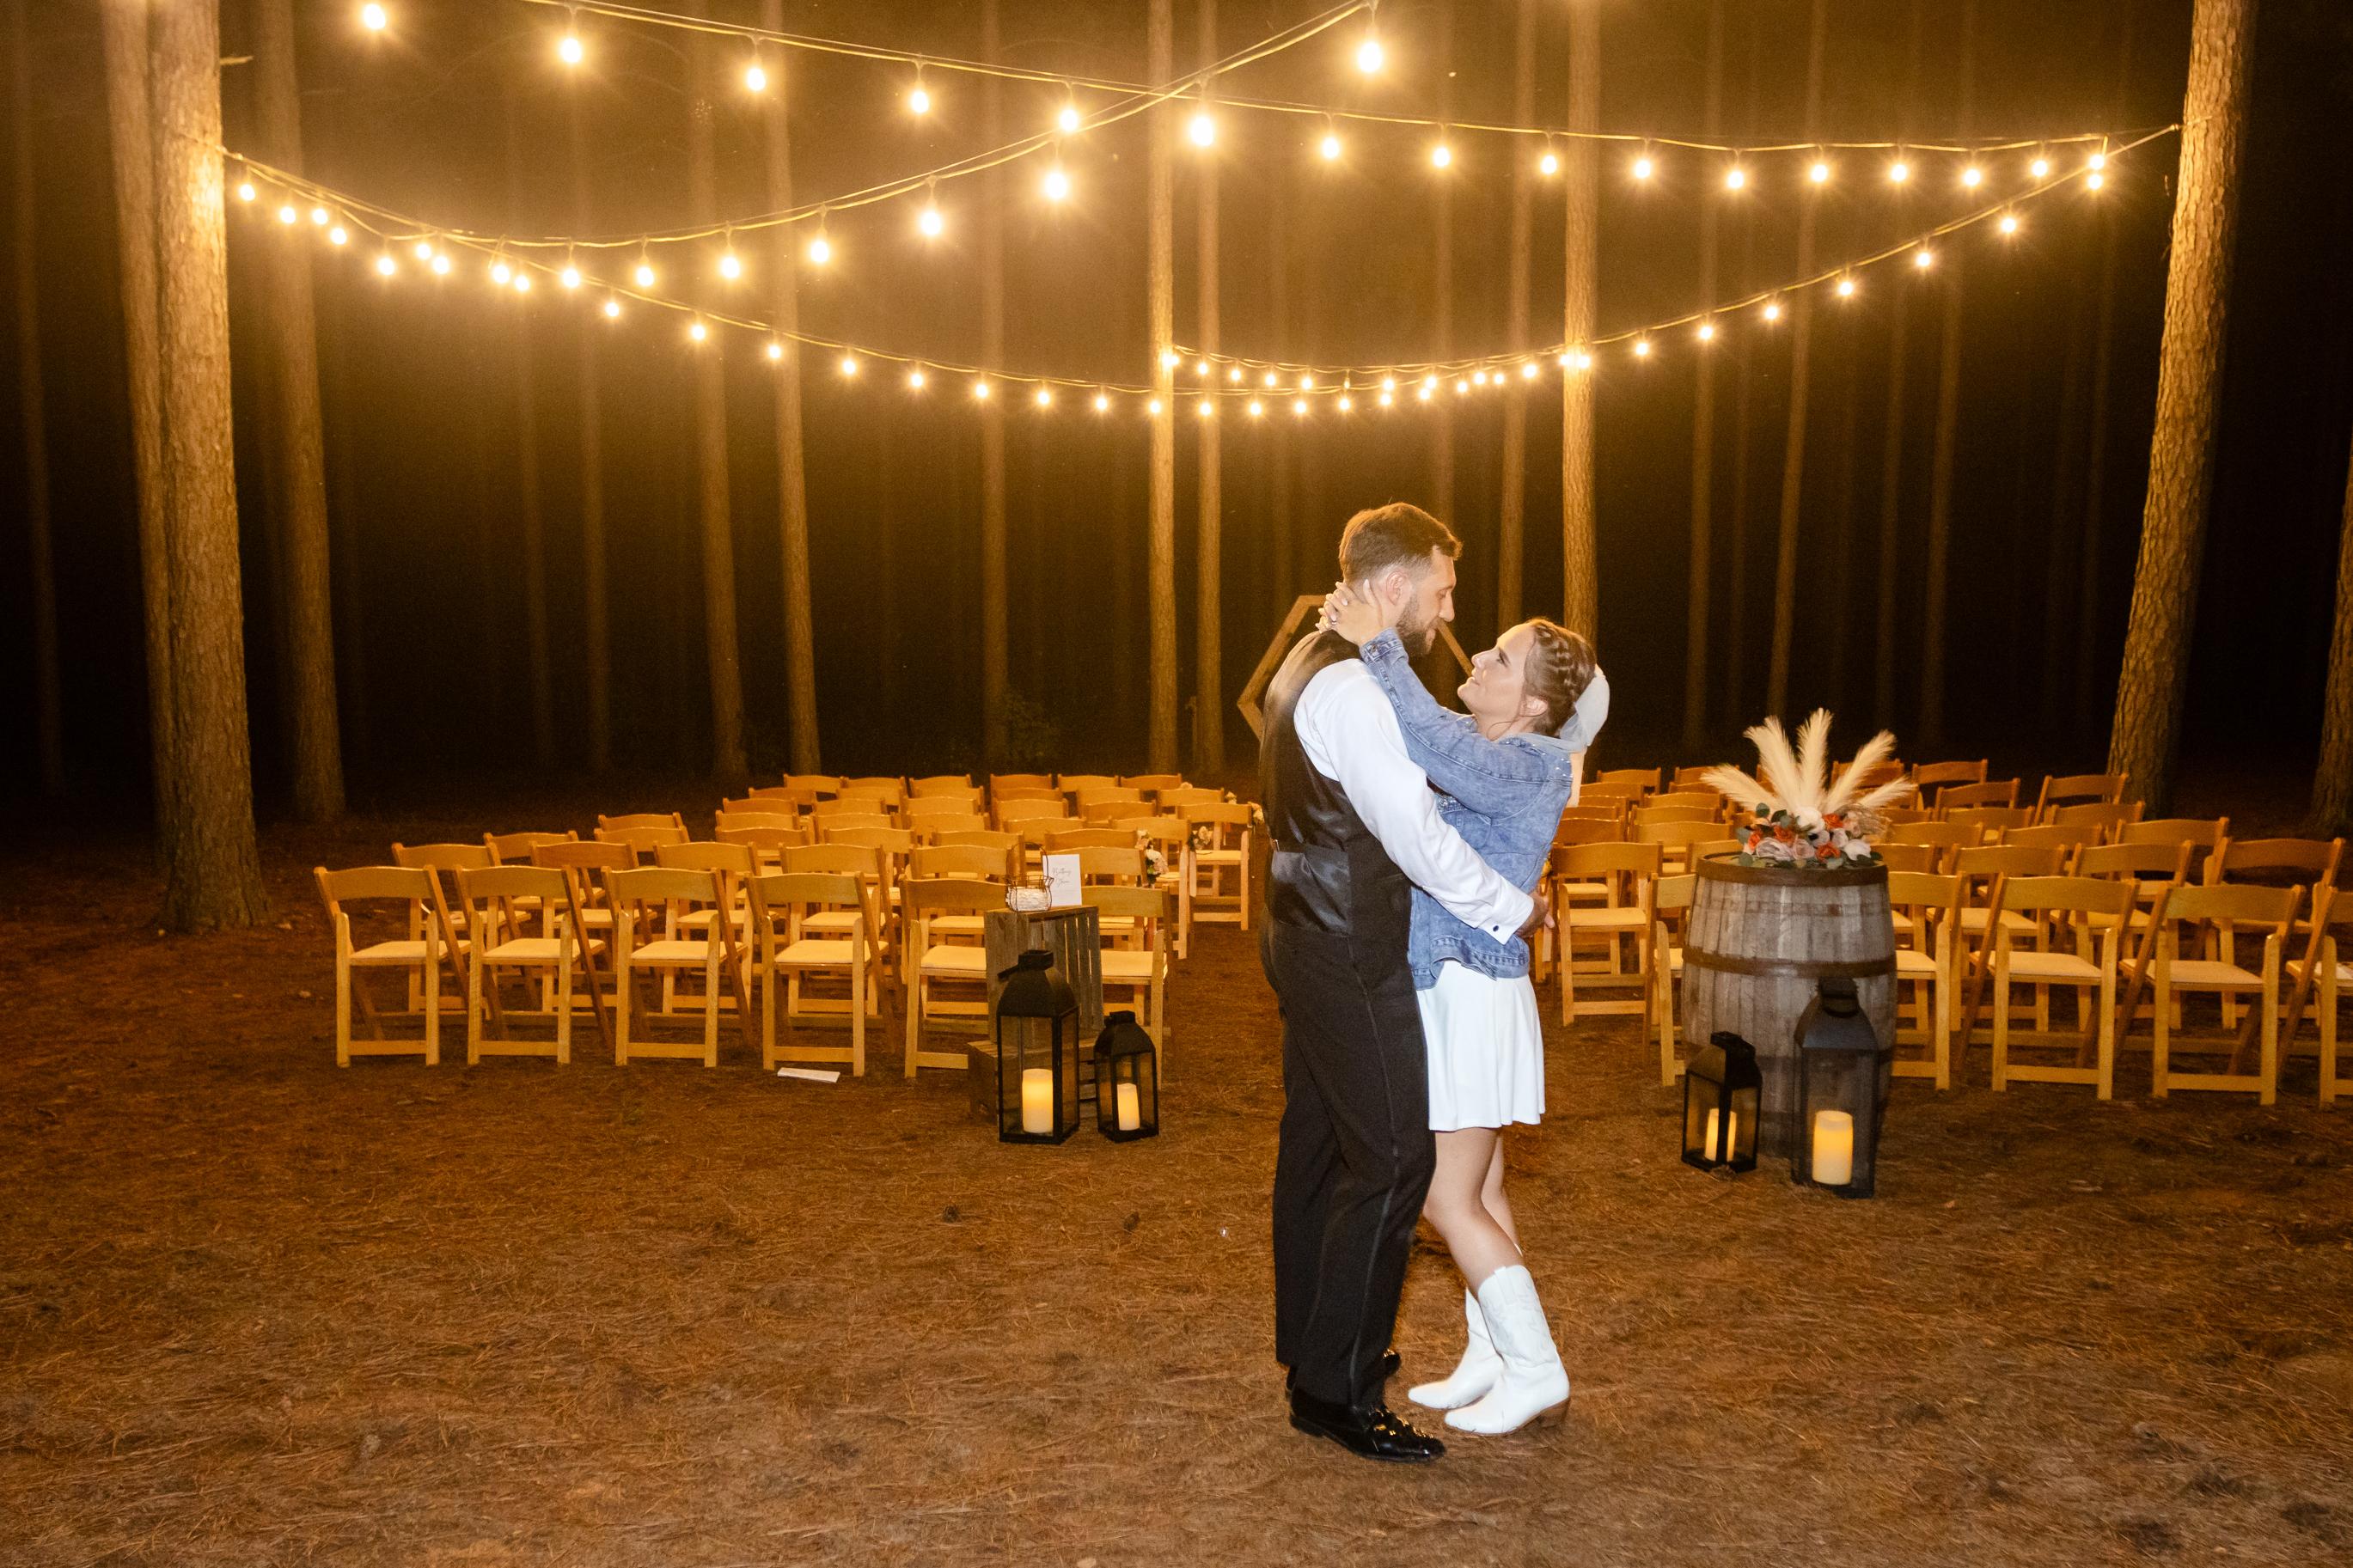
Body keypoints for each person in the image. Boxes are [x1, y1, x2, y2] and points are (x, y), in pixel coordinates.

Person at [1260, 503, 1549, 1465]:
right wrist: (1508, 907)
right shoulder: (1350, 687)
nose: (1448, 608)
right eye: (1442, 588)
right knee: (1392, 1158)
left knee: (1317, 1144)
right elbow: (1413, 836)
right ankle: (1335, 1389)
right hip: (1348, 942)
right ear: (1394, 586)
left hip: (1301, 929)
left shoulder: (1306, 662)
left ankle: (1317, 1346)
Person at [1322, 583, 1604, 1436]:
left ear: (1533, 703)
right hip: (1470, 987)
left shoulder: (1528, 762)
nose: (1478, 655)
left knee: (1445, 1198)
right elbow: (1431, 745)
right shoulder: (1505, 754)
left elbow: (1430, 739)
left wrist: (1378, 642)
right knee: (1480, 1186)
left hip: (1468, 992)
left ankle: (1536, 1366)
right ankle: (1492, 1354)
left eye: (1500, 657)